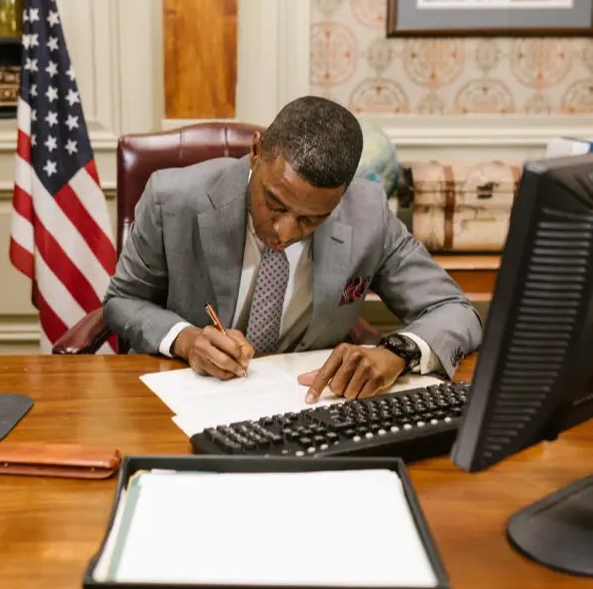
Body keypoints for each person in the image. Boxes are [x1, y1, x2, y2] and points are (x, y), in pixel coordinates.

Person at [103, 97, 482, 402]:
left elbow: (454, 311)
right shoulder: (172, 198)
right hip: (187, 394)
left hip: (305, 401)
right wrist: (187, 340)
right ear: (256, 151)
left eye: (312, 219)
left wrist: (397, 353)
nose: (284, 233)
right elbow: (123, 300)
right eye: (275, 204)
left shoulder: (368, 214)